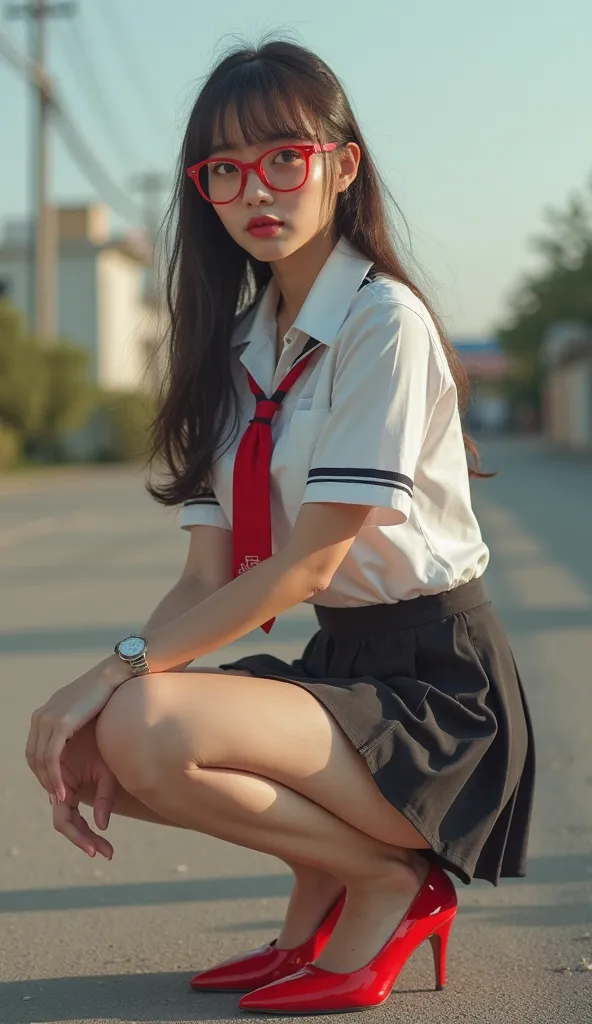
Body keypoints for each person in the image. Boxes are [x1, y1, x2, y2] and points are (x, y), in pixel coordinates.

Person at [24, 38, 535, 1016]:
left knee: (138, 713)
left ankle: (387, 882)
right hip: (344, 669)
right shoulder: (239, 347)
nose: (255, 187)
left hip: (438, 694)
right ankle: (331, 892)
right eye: (224, 168)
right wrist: (111, 674)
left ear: (341, 167)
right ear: (203, 191)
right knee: (105, 735)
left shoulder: (383, 325)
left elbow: (307, 566)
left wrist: (112, 672)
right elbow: (205, 577)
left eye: (283, 157)